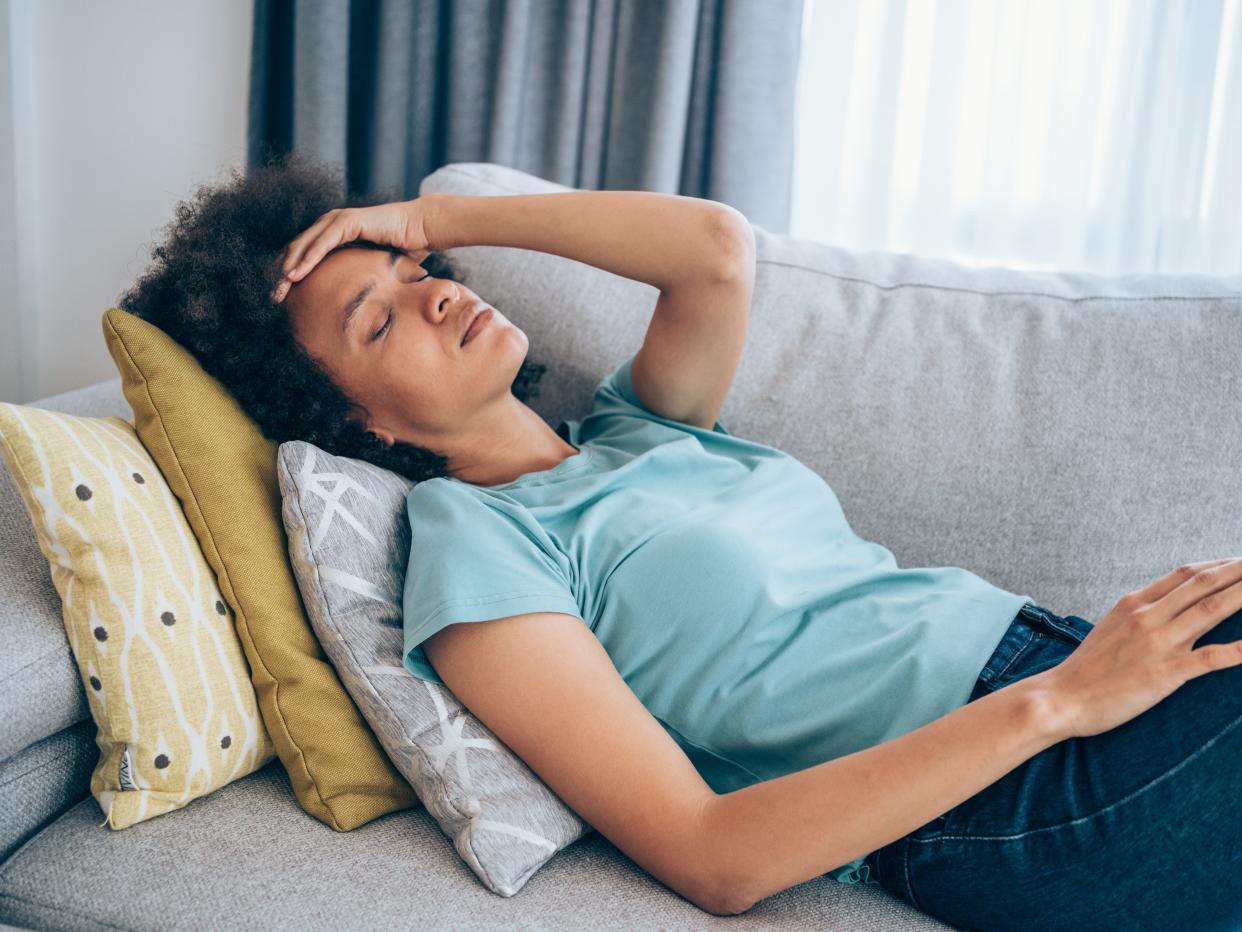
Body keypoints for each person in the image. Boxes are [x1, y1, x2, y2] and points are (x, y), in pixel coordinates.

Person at [120, 153, 1242, 930]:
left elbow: (712, 248)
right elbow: (714, 853)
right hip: (1004, 789)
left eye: (416, 275)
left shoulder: (632, 430)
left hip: (1071, 666)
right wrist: (1062, 701)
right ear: (357, 422)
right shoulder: (476, 548)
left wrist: (430, 216)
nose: (432, 295)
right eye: (379, 318)